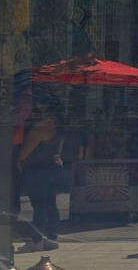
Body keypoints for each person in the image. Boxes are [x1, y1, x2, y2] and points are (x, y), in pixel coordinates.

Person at [16, 96, 66, 253]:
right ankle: (51, 236)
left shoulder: (40, 128)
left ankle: (36, 239)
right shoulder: (59, 127)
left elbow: (25, 153)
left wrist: (18, 162)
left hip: (36, 169)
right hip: (51, 167)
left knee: (38, 205)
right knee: (50, 204)